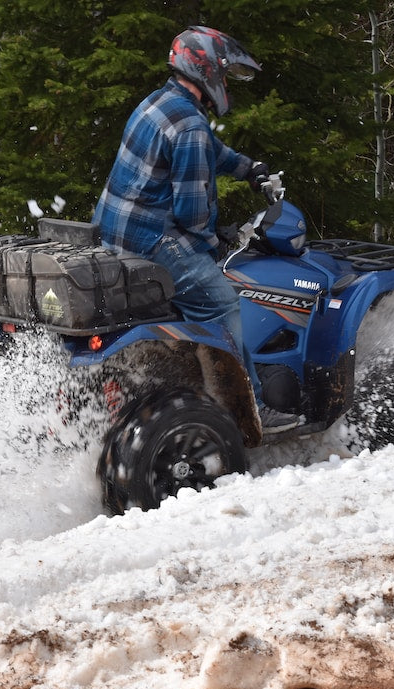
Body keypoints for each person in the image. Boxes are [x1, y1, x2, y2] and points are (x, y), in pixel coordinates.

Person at [93, 25, 300, 433]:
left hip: (115, 228)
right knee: (222, 303)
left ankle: (186, 370)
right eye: (223, 75)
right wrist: (217, 237)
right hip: (152, 238)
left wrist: (248, 168)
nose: (225, 84)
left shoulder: (162, 102)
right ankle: (254, 408)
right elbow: (191, 215)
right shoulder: (189, 125)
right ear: (206, 71)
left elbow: (208, 148)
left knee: (203, 274)